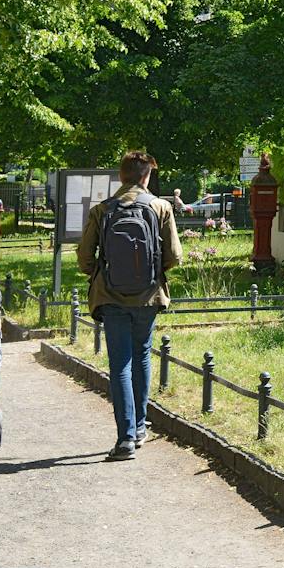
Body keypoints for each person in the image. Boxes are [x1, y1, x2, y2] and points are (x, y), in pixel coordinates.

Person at [76, 150, 181, 461]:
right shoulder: (161, 207)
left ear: (120, 177)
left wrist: (103, 274)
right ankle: (139, 429)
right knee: (142, 357)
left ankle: (125, 439)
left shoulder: (102, 210)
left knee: (119, 365)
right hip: (148, 297)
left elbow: (84, 258)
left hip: (110, 297)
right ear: (146, 176)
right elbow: (174, 255)